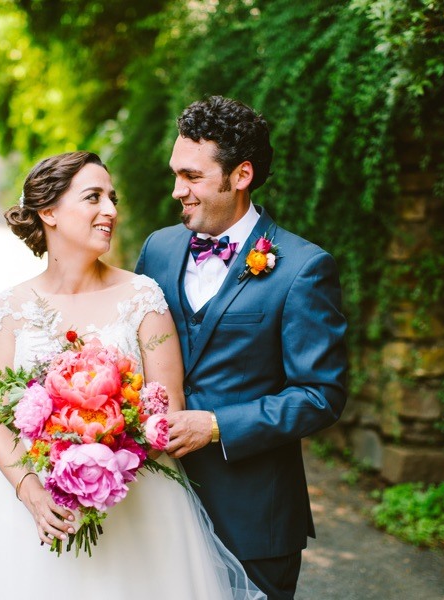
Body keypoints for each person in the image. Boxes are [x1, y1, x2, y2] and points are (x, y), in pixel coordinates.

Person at [0, 151, 263, 599]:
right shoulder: (10, 308)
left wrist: (107, 452)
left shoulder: (142, 297)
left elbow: (166, 406)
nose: (110, 210)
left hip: (138, 502)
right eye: (93, 197)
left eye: (112, 198)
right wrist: (30, 490)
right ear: (49, 211)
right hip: (34, 505)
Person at [135, 96, 349, 600]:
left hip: (254, 516)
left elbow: (321, 395)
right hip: (155, 504)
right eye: (175, 174)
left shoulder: (303, 267)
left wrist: (215, 426)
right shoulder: (158, 249)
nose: (176, 191)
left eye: (191, 176)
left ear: (241, 174)